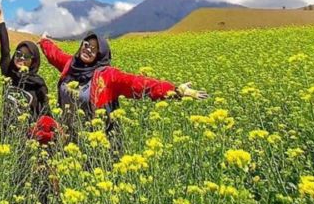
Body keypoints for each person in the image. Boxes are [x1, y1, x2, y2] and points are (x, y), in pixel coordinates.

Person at [39, 31, 207, 136]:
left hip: (99, 140)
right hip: (69, 136)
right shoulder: (71, 65)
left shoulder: (108, 75)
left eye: (94, 48)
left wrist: (175, 90)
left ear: (100, 55)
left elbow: (138, 83)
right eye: (86, 45)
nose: (88, 49)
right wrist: (44, 42)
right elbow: (55, 54)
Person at [0, 0, 57, 144]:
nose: (21, 58)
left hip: (29, 142)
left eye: (26, 56)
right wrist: (0, 17)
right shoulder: (8, 73)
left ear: (33, 61)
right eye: (18, 54)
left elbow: (46, 115)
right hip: (6, 140)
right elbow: (4, 49)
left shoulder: (38, 84)